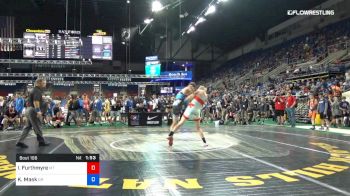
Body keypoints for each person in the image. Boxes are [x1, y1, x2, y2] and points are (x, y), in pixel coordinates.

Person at [16, 78, 50, 148]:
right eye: (44, 83)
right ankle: (41, 142)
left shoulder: (33, 90)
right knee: (38, 125)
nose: (45, 84)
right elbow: (35, 101)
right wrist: (38, 111)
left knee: (27, 127)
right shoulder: (37, 90)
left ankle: (20, 141)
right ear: (39, 83)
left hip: (28, 110)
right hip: (33, 110)